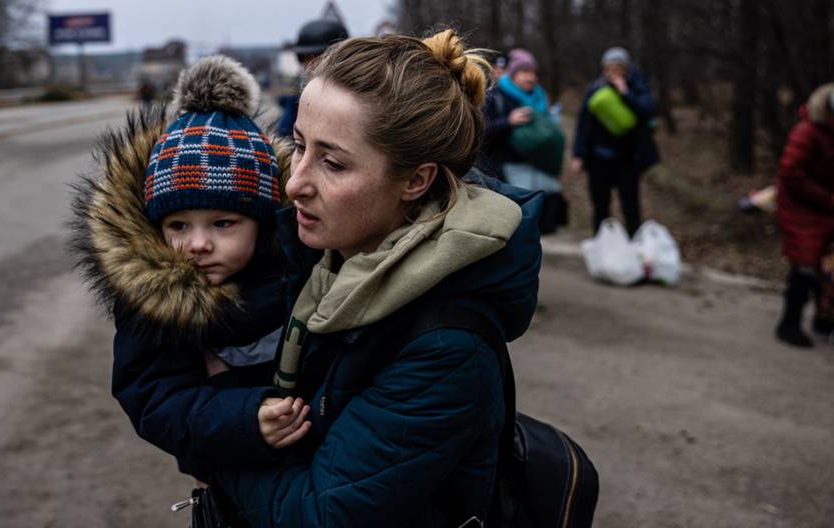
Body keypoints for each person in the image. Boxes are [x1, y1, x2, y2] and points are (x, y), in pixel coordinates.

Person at [202, 30, 543, 526]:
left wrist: (214, 439)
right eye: (299, 145)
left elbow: (321, 515)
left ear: (416, 181)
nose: (294, 183)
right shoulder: (323, 257)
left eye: (333, 163)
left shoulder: (446, 349)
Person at [70, 55, 310, 480]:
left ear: (264, 223)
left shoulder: (304, 272)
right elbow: (155, 399)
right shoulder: (156, 301)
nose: (197, 244)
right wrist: (242, 419)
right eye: (178, 225)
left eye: (223, 223)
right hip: (229, 480)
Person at [774, 80, 834, 348]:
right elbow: (790, 172)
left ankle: (826, 319)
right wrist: (824, 197)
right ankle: (789, 323)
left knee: (829, 265)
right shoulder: (807, 132)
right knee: (805, 264)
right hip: (800, 207)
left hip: (832, 208)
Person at [572, 46, 659, 234]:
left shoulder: (637, 85)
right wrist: (579, 154)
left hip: (628, 158)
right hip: (598, 158)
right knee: (600, 207)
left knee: (630, 205)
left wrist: (625, 92)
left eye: (618, 67)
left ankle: (634, 243)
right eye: (609, 67)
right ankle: (602, 243)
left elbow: (647, 112)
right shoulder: (595, 88)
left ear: (626, 68)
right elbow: (584, 123)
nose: (613, 71)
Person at [482, 48, 566, 233]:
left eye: (533, 72)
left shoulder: (539, 97)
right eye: (524, 72)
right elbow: (481, 132)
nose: (530, 77)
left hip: (537, 169)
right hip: (504, 172)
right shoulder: (495, 96)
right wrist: (508, 121)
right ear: (513, 74)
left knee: (537, 226)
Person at [274, 18, 349, 138]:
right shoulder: (294, 106)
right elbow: (283, 138)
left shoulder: (358, 103)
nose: (312, 67)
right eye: (308, 59)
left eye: (320, 59)